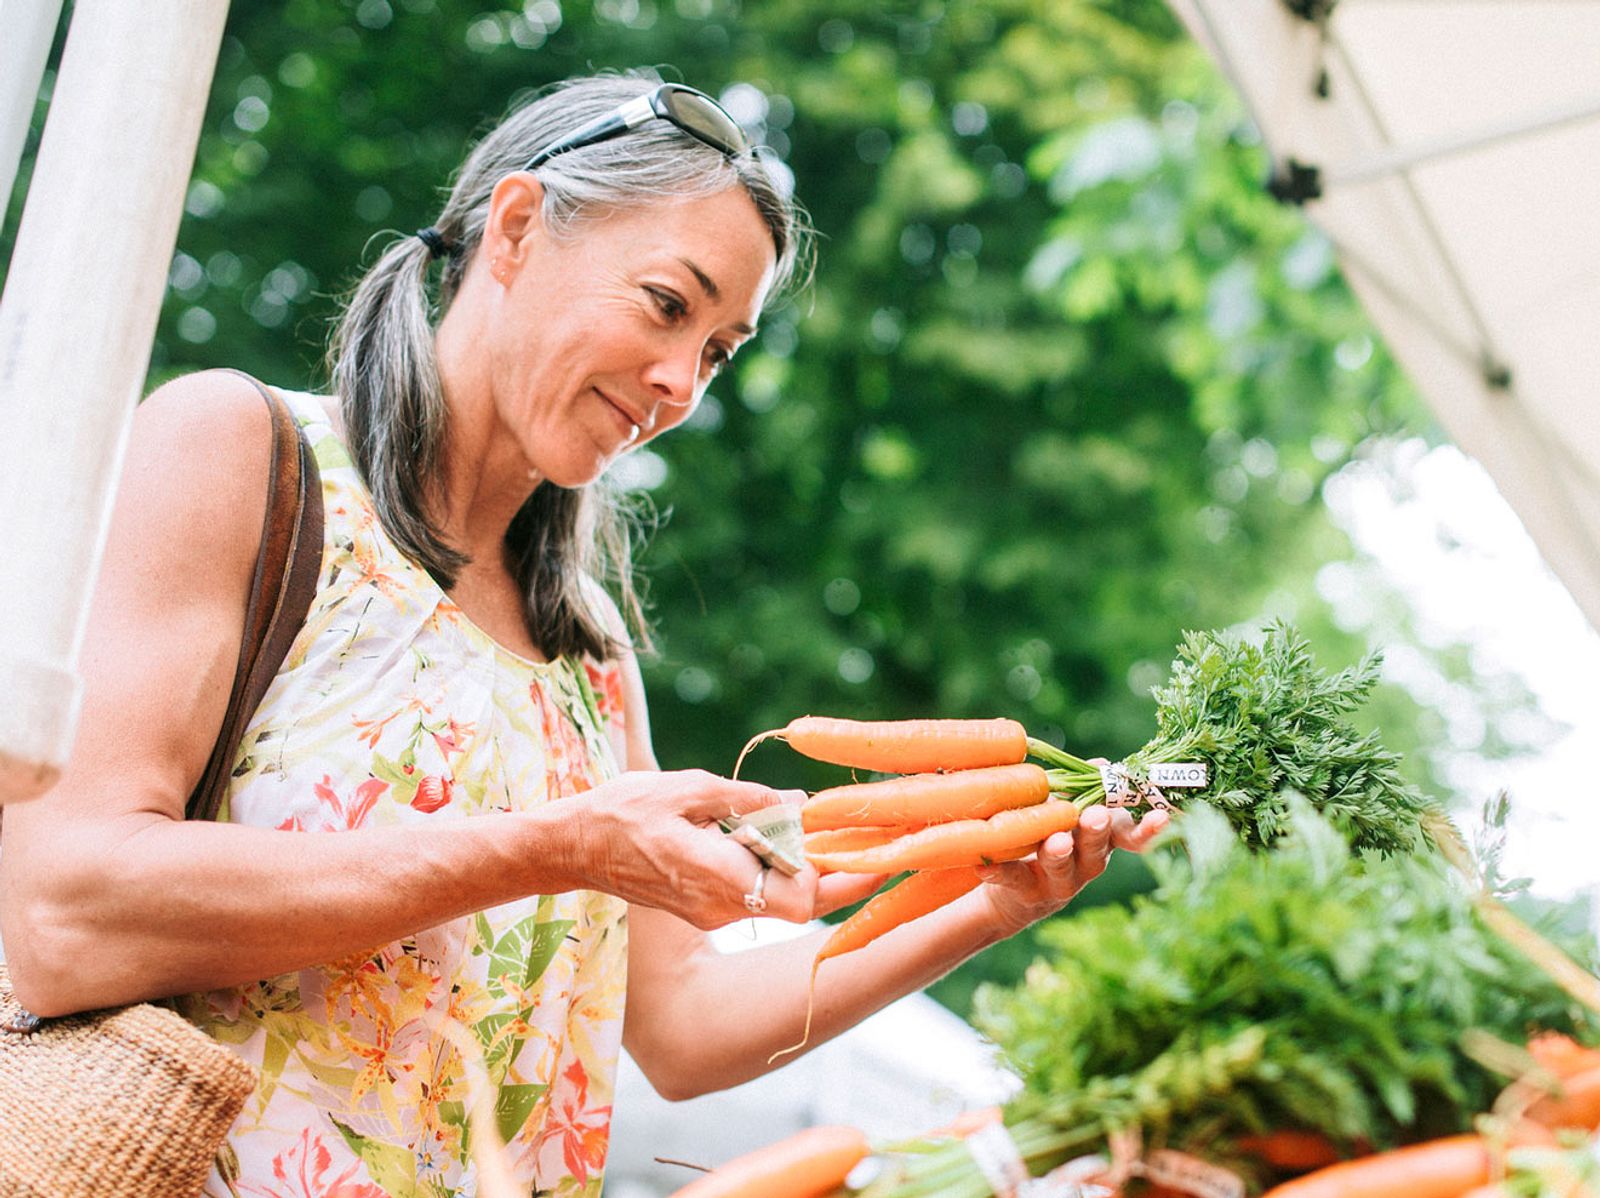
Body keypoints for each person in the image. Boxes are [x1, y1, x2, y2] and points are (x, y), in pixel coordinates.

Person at [0, 72, 1165, 1195]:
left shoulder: (590, 659)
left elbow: (684, 1027)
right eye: (667, 304)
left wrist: (993, 903)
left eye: (718, 349)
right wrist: (553, 846)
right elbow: (63, 911)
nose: (679, 385)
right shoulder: (240, 457)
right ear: (514, 229)